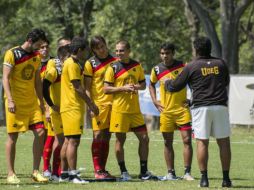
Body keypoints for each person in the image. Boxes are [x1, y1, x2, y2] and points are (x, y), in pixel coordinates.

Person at [164, 36, 232, 188]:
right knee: (224, 143)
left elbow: (175, 86)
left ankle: (204, 179)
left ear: (196, 49)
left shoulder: (192, 66)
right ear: (210, 48)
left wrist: (167, 82)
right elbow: (225, 82)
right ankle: (226, 179)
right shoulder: (221, 63)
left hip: (201, 108)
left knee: (202, 142)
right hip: (220, 106)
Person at [104, 40, 157, 181]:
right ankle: (123, 172)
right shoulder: (113, 67)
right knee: (120, 140)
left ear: (128, 51)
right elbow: (106, 89)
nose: (118, 53)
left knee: (145, 139)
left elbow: (143, 85)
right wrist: (123, 88)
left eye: (121, 50)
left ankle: (144, 172)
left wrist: (136, 87)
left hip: (135, 111)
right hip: (119, 111)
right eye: (116, 51)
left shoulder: (136, 65)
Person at [2, 28, 48, 184]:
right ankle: (10, 173)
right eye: (39, 44)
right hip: (15, 102)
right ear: (30, 40)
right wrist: (10, 100)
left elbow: (37, 82)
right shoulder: (12, 53)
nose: (40, 48)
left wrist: (41, 102)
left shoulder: (36, 57)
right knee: (13, 137)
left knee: (41, 133)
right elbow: (5, 78)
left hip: (31, 103)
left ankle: (36, 171)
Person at [149, 42, 194, 181]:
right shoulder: (156, 69)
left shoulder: (183, 66)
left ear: (173, 53)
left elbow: (194, 83)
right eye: (162, 53)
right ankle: (171, 173)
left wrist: (192, 99)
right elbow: (151, 84)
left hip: (182, 110)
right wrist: (155, 101)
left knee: (187, 140)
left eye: (167, 53)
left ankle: (187, 173)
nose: (164, 56)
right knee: (167, 142)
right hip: (166, 112)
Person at [59, 36, 99, 184]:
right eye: (86, 50)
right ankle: (73, 175)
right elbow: (78, 88)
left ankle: (64, 174)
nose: (86, 53)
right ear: (80, 50)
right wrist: (91, 105)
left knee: (68, 141)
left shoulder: (70, 62)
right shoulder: (73, 64)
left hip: (68, 107)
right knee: (74, 142)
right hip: (72, 107)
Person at [84, 36, 117, 179]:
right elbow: (86, 88)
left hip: (114, 105)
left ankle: (103, 169)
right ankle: (97, 170)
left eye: (103, 46)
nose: (102, 50)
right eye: (98, 48)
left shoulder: (115, 62)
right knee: (97, 135)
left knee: (107, 136)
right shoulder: (90, 63)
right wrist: (91, 105)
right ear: (93, 50)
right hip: (98, 105)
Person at [42, 45, 70, 181]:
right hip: (57, 112)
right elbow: (44, 87)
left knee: (65, 141)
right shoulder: (54, 68)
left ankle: (60, 172)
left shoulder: (71, 68)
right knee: (60, 141)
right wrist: (51, 106)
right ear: (63, 58)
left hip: (68, 110)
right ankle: (54, 171)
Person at [38, 38, 55, 178]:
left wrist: (48, 108)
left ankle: (47, 168)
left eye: (46, 47)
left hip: (47, 105)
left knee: (49, 136)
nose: (44, 49)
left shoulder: (53, 63)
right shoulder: (33, 62)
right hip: (35, 105)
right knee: (41, 136)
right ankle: (42, 167)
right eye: (41, 47)